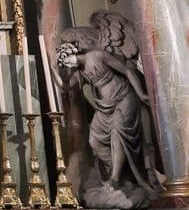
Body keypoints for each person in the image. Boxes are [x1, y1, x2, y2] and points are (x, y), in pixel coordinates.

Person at [56, 41, 152, 193]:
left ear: (71, 52)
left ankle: (115, 179)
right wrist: (51, 71)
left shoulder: (98, 55)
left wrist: (141, 94)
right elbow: (64, 88)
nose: (66, 65)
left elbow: (127, 71)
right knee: (94, 140)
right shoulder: (79, 73)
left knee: (117, 130)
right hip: (106, 107)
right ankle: (119, 170)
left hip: (124, 98)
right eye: (63, 64)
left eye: (65, 60)